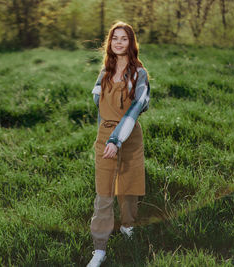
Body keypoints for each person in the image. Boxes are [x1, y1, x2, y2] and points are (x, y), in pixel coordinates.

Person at [87, 21, 150, 267]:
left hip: (130, 136)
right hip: (105, 138)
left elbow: (137, 108)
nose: (119, 42)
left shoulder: (139, 74)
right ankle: (100, 248)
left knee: (129, 186)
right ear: (110, 43)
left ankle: (127, 225)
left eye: (124, 38)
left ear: (131, 43)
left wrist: (118, 137)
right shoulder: (103, 72)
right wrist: (108, 136)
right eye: (115, 38)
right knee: (103, 193)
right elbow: (98, 104)